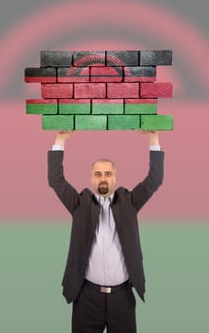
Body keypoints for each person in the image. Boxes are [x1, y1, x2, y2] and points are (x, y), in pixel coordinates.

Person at [48, 130, 164, 333]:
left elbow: (154, 180)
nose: (103, 178)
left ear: (115, 179)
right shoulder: (79, 204)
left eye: (108, 174)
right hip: (86, 297)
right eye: (98, 174)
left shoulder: (130, 201)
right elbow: (56, 181)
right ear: (92, 179)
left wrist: (153, 140)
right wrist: (60, 140)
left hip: (123, 298)